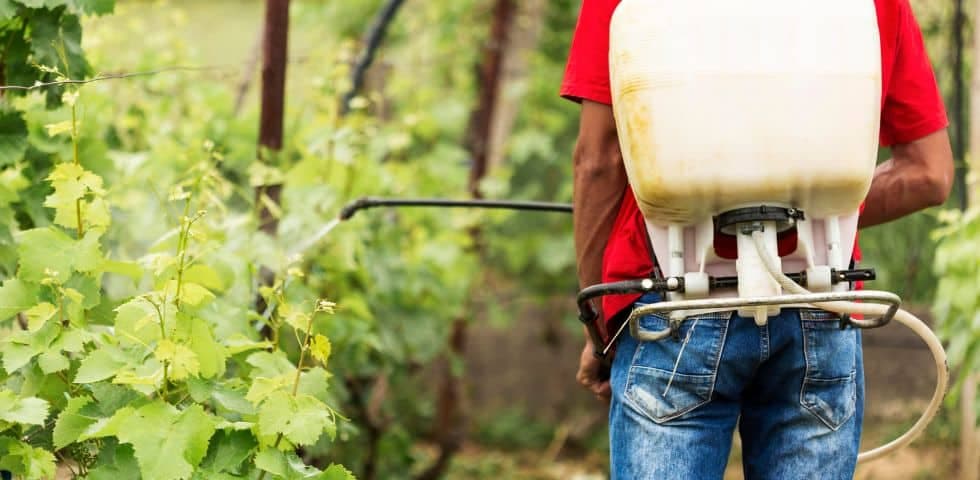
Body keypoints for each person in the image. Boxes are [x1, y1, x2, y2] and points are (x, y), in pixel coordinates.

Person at [561, 1, 954, 478]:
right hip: (819, 300)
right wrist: (800, 211)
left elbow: (599, 162)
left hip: (672, 305)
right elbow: (929, 174)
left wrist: (598, 324)